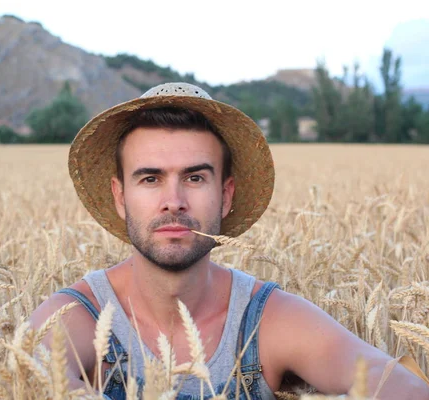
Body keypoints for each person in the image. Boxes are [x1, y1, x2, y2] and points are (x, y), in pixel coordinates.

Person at [29, 82, 429, 400]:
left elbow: (391, 381)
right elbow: (37, 380)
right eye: (150, 179)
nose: (174, 201)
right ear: (120, 197)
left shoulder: (264, 318)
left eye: (195, 177)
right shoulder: (74, 316)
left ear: (226, 194)